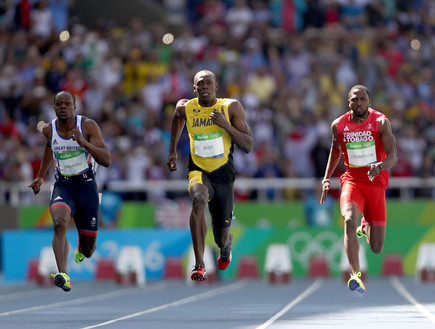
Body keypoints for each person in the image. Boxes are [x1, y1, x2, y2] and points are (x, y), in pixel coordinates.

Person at [167, 70, 254, 281]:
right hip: (198, 170)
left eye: (209, 83)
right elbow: (177, 119)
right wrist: (172, 151)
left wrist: (225, 125)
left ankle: (226, 245)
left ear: (216, 87)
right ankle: (199, 264)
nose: (204, 86)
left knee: (220, 237)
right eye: (200, 83)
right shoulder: (186, 107)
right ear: (194, 88)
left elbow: (248, 145)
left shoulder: (230, 107)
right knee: (198, 200)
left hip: (223, 174)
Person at [29, 91, 111, 292]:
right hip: (63, 186)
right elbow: (50, 148)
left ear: (75, 107)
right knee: (59, 223)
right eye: (59, 104)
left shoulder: (88, 126)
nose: (63, 107)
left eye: (67, 104)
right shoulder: (50, 130)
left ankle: (81, 249)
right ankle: (63, 275)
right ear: (54, 107)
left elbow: (107, 160)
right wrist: (40, 176)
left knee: (89, 249)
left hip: (87, 187)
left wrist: (83, 143)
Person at [320, 85, 397, 293]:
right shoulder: (339, 125)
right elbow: (335, 149)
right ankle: (355, 274)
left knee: (376, 247)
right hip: (352, 182)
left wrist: (379, 166)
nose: (359, 103)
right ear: (349, 102)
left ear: (369, 101)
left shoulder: (381, 123)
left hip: (376, 184)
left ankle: (365, 226)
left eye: (363, 99)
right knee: (347, 220)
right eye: (355, 100)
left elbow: (393, 156)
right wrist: (326, 177)